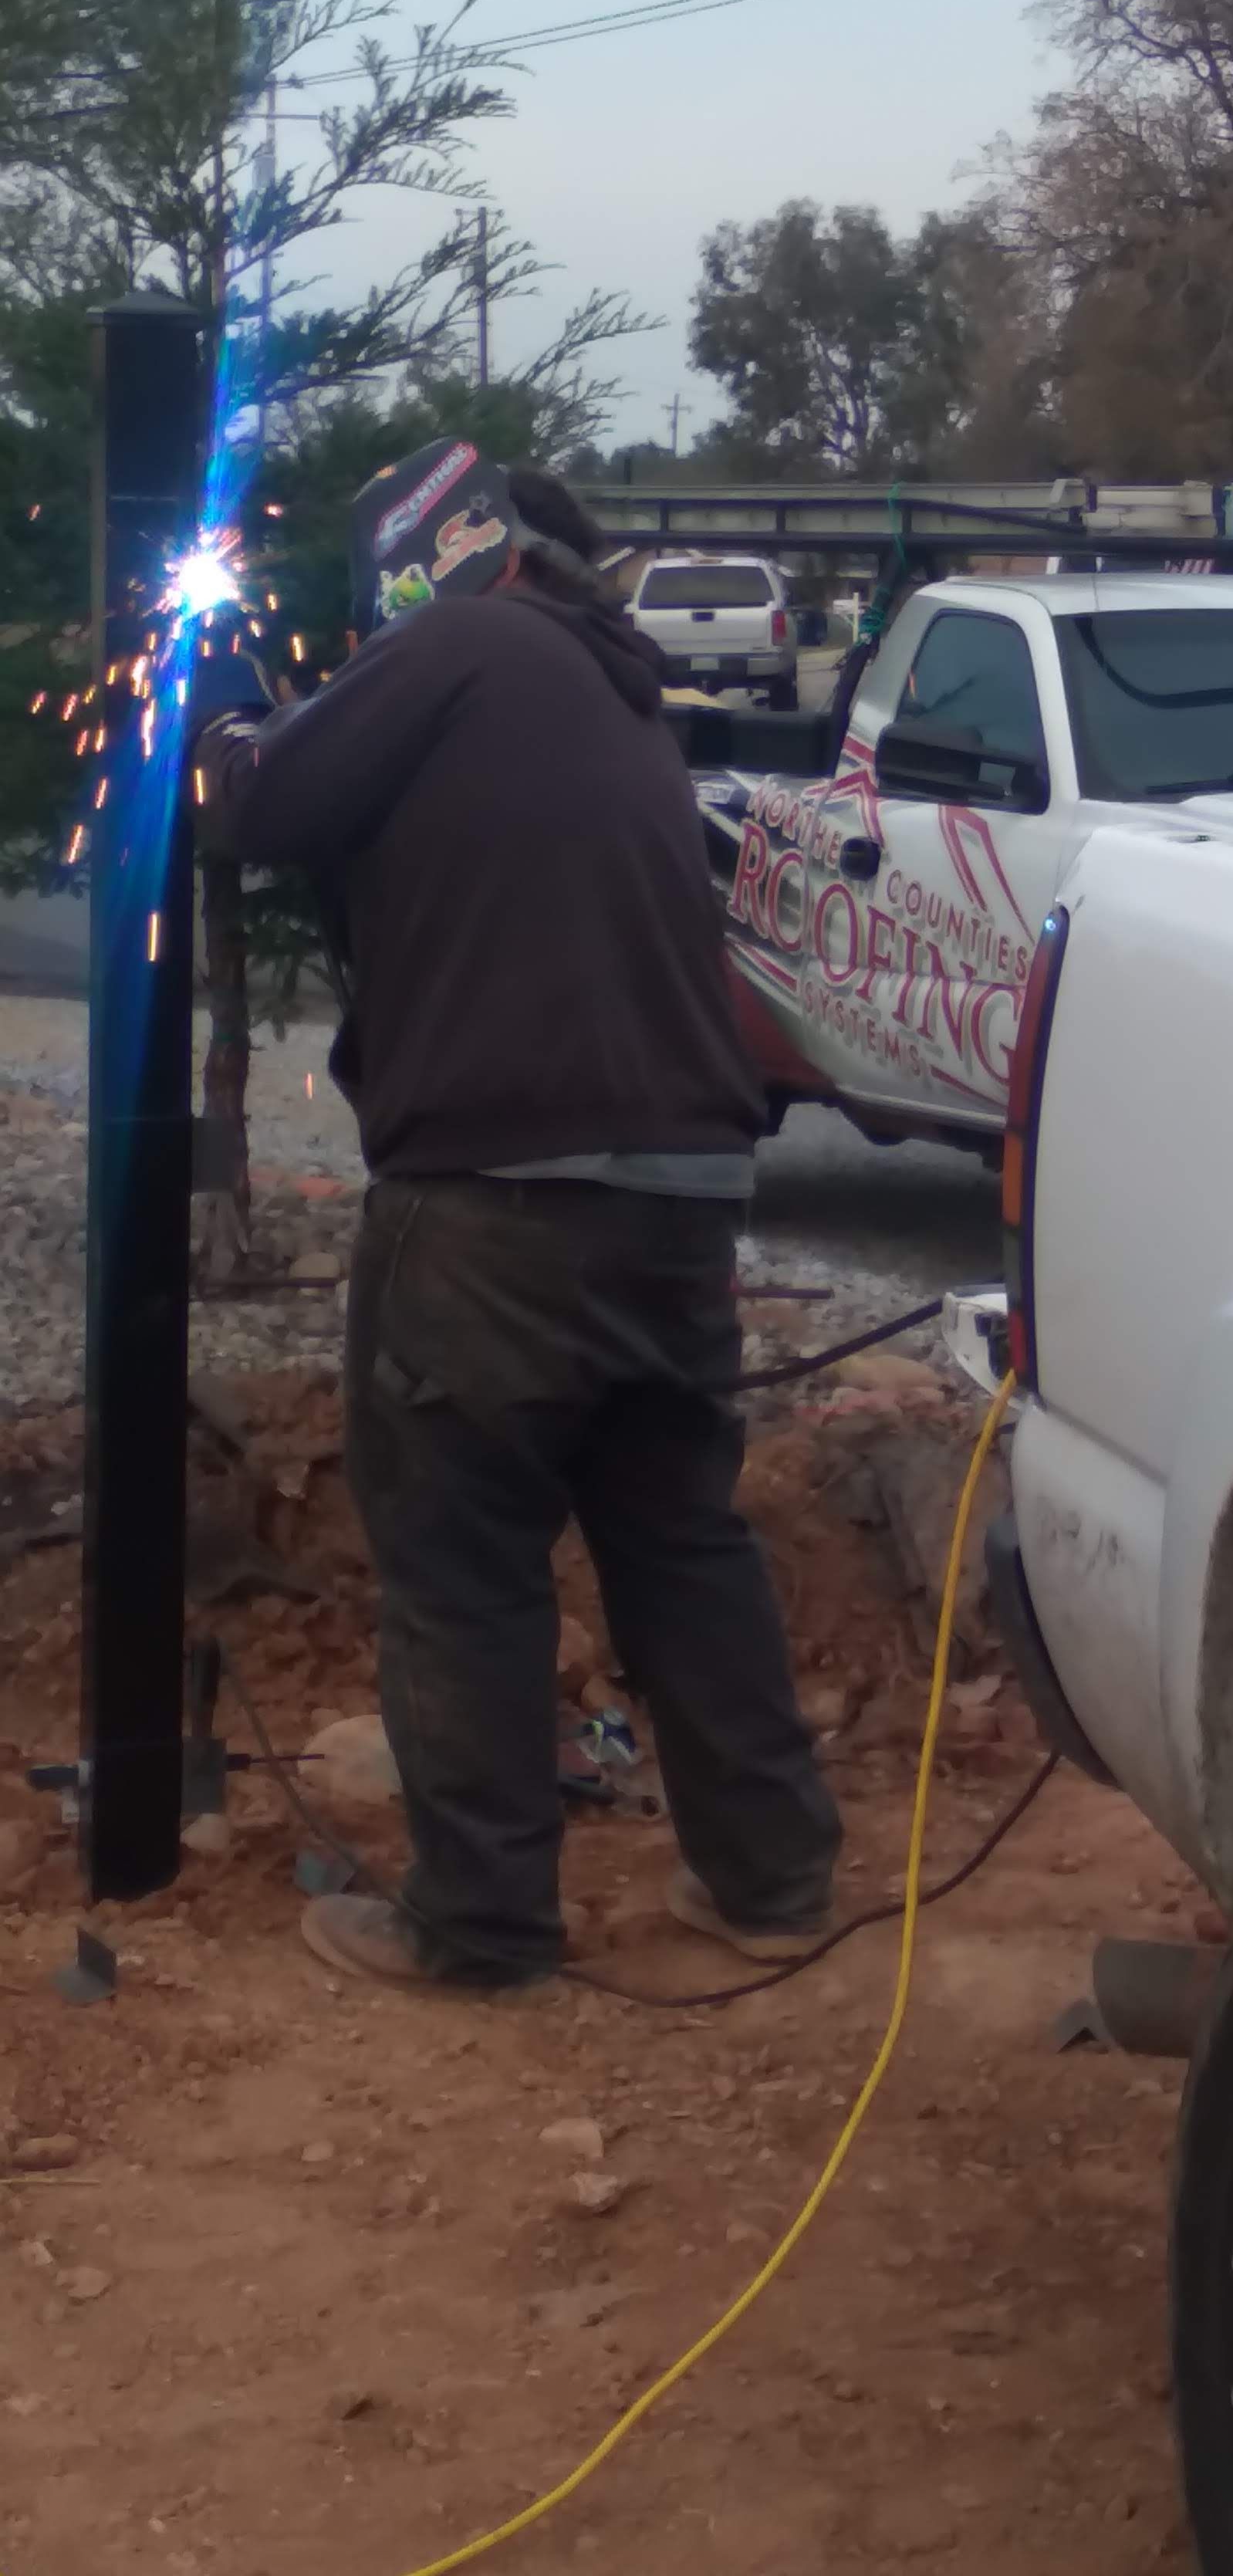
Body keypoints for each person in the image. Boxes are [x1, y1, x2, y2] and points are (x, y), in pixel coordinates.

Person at [195, 451, 842, 1991]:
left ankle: (480, 1926)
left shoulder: (462, 643)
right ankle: (772, 1876)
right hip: (681, 1197)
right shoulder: (614, 689)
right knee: (677, 1531)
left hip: (499, 1200)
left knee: (461, 1546)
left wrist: (218, 718)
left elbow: (264, 800)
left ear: (441, 553)